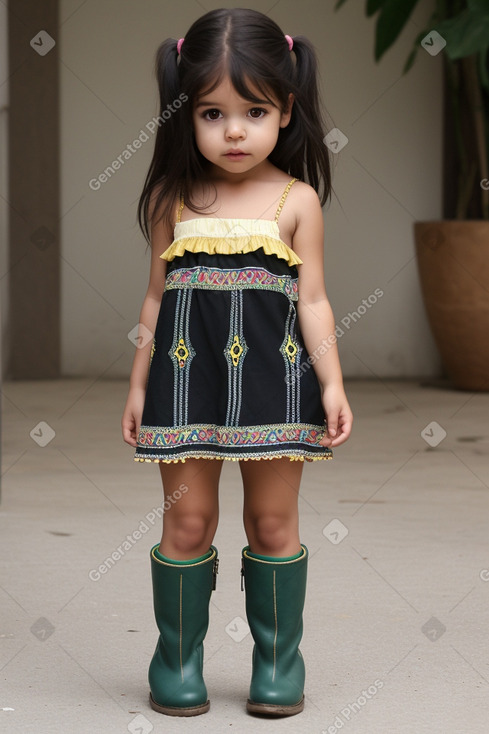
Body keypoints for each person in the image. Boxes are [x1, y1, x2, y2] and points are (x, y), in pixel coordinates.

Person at [121, 6, 353, 719]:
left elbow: (311, 300)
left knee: (271, 525)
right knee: (185, 524)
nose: (232, 131)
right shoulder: (172, 199)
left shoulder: (296, 200)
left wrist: (332, 381)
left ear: (285, 110)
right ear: (185, 116)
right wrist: (137, 386)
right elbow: (156, 301)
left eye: (253, 110)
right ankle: (177, 661)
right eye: (212, 113)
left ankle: (278, 663)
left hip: (276, 386)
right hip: (184, 384)